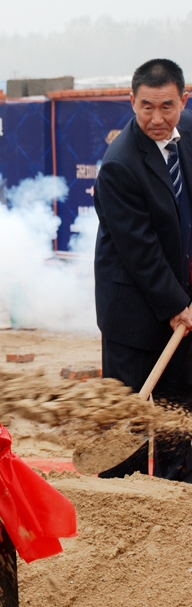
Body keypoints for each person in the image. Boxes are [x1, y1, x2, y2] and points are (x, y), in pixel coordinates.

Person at [94, 58, 192, 480]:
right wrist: (176, 303)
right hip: (132, 311)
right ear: (131, 101)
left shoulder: (187, 137)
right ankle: (122, 507)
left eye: (167, 106)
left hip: (182, 301)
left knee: (179, 410)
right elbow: (140, 250)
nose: (157, 118)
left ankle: (176, 495)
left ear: (182, 100)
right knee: (128, 419)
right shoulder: (120, 164)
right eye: (146, 107)